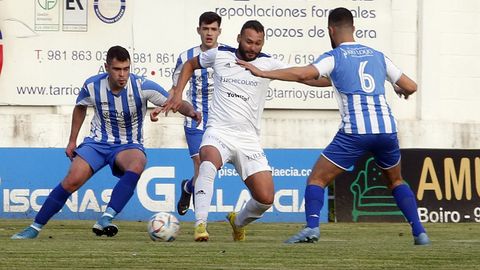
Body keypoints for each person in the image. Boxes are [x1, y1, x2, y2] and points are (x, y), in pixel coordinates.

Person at [237, 7, 430, 245]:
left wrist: (264, 73)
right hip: (386, 129)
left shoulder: (335, 56)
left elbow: (303, 74)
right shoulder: (377, 55)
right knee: (396, 181)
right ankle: (419, 232)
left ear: (330, 30)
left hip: (356, 131)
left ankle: (311, 228)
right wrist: (399, 88)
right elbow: (411, 86)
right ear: (354, 29)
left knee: (316, 180)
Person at [159, 20, 329, 242]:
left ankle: (237, 222)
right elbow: (190, 65)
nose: (253, 48)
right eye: (249, 42)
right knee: (207, 164)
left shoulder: (268, 64)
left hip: (248, 139)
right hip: (218, 131)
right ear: (239, 38)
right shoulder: (219, 54)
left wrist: (336, 81)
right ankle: (200, 225)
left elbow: (304, 77)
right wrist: (179, 93)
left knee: (266, 198)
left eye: (258, 43)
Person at [11, 45, 201, 239]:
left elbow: (173, 101)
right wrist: (72, 141)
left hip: (128, 145)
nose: (122, 74)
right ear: (106, 68)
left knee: (137, 163)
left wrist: (191, 112)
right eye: (117, 69)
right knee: (72, 180)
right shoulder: (92, 86)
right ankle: (34, 228)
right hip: (97, 143)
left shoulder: (143, 86)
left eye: (126, 69)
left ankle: (106, 218)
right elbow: (80, 108)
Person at [172, 11, 222, 217]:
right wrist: (164, 105)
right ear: (198, 30)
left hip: (221, 121)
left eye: (213, 29)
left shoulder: (228, 55)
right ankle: (201, 222)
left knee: (210, 170)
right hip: (196, 120)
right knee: (202, 166)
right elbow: (175, 90)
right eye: (205, 29)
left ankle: (187, 188)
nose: (209, 33)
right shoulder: (186, 58)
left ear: (219, 31)